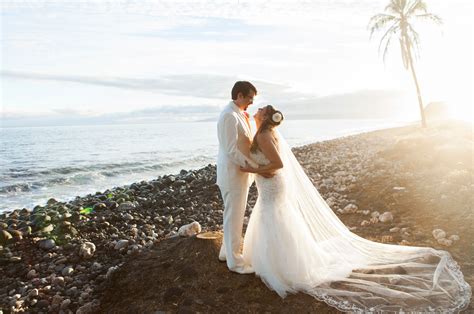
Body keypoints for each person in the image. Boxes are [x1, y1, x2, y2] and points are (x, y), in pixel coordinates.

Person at [240, 105, 471, 313]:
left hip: (271, 183)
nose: (257, 110)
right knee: (276, 216)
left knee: (273, 217)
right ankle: (278, 261)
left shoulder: (263, 134)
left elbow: (277, 164)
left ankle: (282, 266)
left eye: (260, 109)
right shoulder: (265, 133)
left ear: (266, 117)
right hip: (270, 184)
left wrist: (252, 170)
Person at [216, 81, 258, 274]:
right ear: (239, 95)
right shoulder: (228, 116)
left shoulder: (239, 114)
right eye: (249, 97)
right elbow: (230, 149)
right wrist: (253, 166)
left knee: (234, 215)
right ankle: (235, 263)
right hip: (233, 174)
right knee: (233, 217)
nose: (251, 101)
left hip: (239, 174)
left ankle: (226, 253)